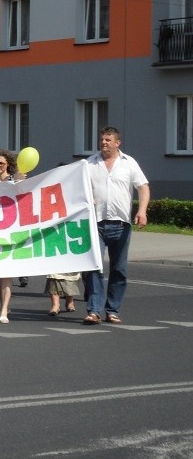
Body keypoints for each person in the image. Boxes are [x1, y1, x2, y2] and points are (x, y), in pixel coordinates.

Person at [82, 126, 150, 325]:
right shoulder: (89, 163)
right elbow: (77, 186)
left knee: (119, 269)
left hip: (121, 224)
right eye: (102, 139)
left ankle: (112, 310)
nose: (104, 143)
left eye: (108, 140)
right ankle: (94, 310)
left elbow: (143, 187)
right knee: (94, 268)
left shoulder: (129, 163)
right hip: (95, 223)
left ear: (117, 143)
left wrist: (142, 211)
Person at [0, 149, 20, 323]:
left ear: (8, 164)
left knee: (6, 272)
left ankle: (4, 311)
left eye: (1, 163)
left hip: (10, 230)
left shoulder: (16, 180)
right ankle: (3, 305)